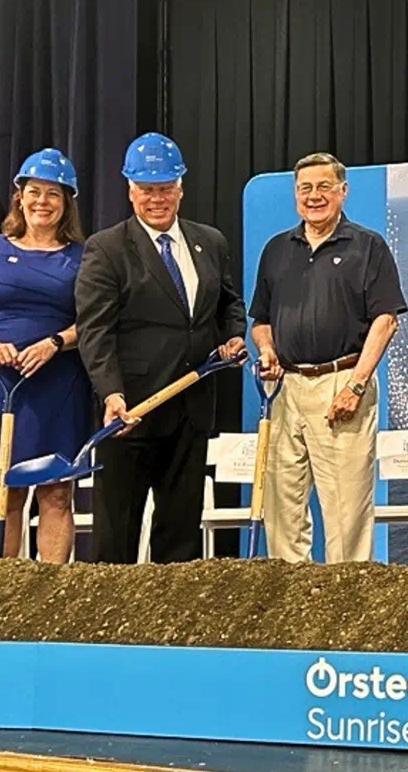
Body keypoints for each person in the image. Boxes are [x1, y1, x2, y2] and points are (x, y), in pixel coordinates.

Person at [75, 132, 246, 564]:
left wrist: (234, 334)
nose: (157, 199)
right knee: (117, 537)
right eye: (148, 189)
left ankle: (174, 610)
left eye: (166, 188)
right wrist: (111, 393)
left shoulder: (210, 241)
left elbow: (228, 303)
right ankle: (111, 610)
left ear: (181, 188)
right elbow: (95, 330)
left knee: (181, 535)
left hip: (191, 410)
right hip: (131, 413)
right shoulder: (107, 249)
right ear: (130, 191)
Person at [249, 153, 406, 563]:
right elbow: (260, 320)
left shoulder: (367, 246)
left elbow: (386, 320)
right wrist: (266, 349)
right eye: (305, 188)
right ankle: (291, 594)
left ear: (342, 191)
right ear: (295, 194)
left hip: (343, 382)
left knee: (346, 509)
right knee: (281, 505)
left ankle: (346, 596)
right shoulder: (276, 249)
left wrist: (356, 385)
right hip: (284, 388)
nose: (314, 196)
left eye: (324, 187)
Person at [0, 149, 93, 563]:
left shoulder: (84, 256)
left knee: (56, 491)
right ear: (20, 196)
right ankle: (2, 587)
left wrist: (55, 342)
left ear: (67, 203)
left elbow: (95, 321)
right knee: (6, 491)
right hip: (1, 383)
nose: (41, 202)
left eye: (53, 194)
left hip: (61, 382)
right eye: (34, 191)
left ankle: (50, 590)